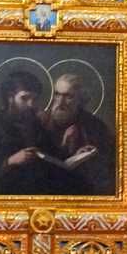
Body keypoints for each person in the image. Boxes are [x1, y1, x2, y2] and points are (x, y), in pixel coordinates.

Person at [0, 64, 56, 197]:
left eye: (34, 99)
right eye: (25, 98)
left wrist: (74, 157)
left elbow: (51, 159)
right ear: (10, 98)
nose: (31, 104)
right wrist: (9, 162)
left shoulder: (37, 125)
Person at [39, 68, 114, 197]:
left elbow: (105, 167)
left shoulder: (95, 125)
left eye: (68, 96)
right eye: (57, 94)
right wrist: (64, 145)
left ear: (80, 99)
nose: (60, 102)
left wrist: (84, 156)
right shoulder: (41, 121)